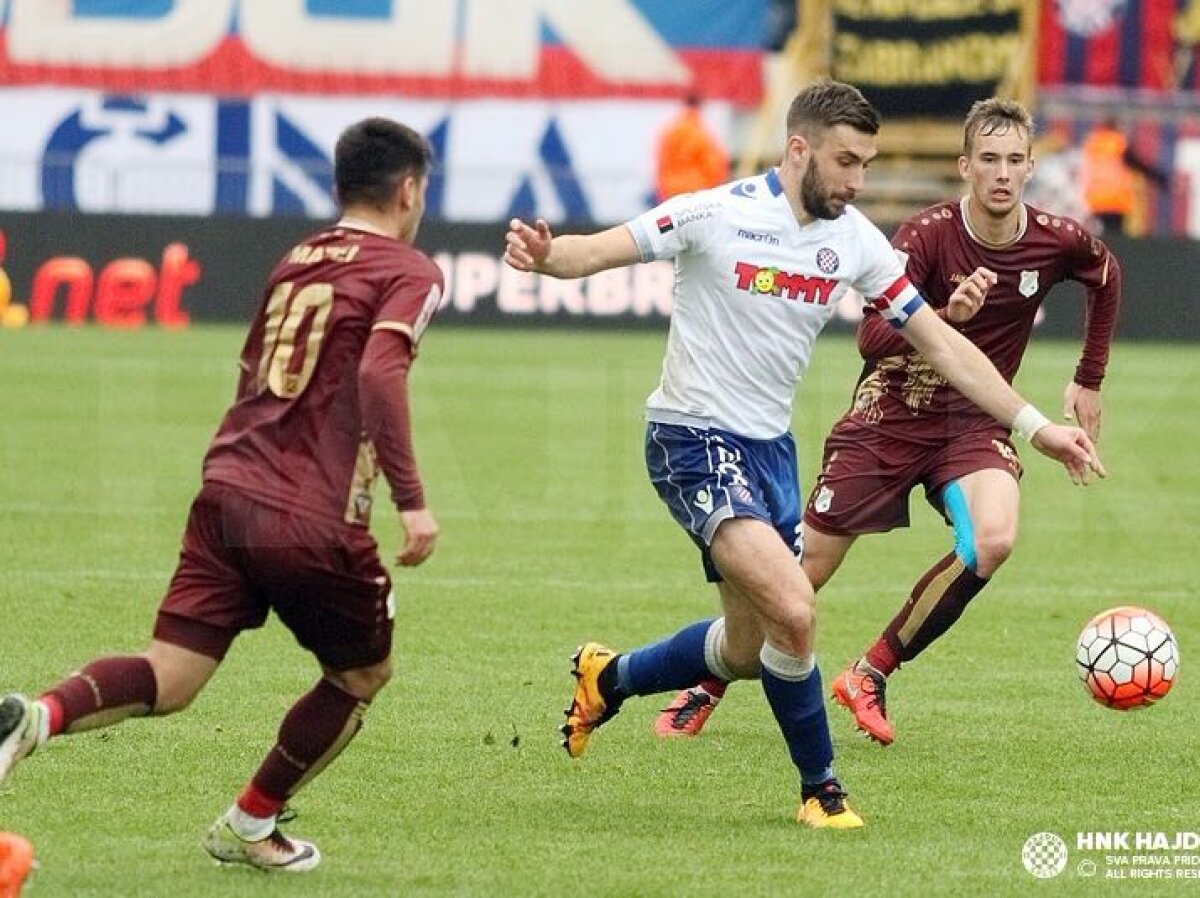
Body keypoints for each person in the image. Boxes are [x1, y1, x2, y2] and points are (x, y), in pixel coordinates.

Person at [503, 82, 1102, 828]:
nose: (858, 182)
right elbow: (596, 250)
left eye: (867, 165)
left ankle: (609, 677)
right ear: (797, 150)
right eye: (846, 163)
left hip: (769, 454)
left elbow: (941, 343)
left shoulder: (852, 239)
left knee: (746, 649)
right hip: (691, 439)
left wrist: (1034, 426)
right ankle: (821, 791)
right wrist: (545, 255)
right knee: (796, 611)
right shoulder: (714, 212)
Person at [0, 117, 444, 872]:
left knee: (170, 676)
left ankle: (35, 717)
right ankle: (248, 823)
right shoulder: (409, 270)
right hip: (308, 512)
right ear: (408, 190)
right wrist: (411, 498)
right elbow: (377, 373)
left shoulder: (296, 258)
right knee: (362, 674)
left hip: (227, 487)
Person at [655, 98, 1121, 747]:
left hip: (974, 424)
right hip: (888, 419)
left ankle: (871, 672)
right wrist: (945, 316)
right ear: (965, 166)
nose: (1003, 173)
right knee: (799, 577)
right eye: (989, 159)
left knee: (993, 539)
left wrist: (1089, 377)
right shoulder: (926, 235)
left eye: (1016, 160)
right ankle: (708, 680)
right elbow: (872, 337)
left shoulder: (1056, 239)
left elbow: (1106, 274)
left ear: (1032, 166)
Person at [654, 92, 729, 203]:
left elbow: (661, 162)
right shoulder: (700, 132)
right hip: (696, 190)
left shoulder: (669, 131)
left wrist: (662, 187)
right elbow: (713, 164)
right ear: (701, 106)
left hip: (670, 190)